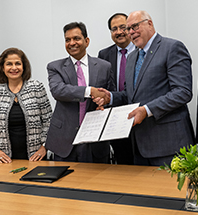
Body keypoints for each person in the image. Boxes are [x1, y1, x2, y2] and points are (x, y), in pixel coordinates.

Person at [93, 10, 195, 166]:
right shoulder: (132, 56)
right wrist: (110, 97)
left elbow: (183, 92)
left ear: (150, 24)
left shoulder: (172, 47)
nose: (131, 32)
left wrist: (147, 110)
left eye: (135, 26)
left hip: (170, 145)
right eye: (129, 29)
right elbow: (130, 95)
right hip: (139, 146)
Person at [45, 22, 115, 163]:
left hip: (96, 139)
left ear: (86, 41)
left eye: (76, 38)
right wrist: (89, 91)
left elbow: (111, 96)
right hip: (65, 140)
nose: (72, 43)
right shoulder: (55, 67)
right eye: (67, 40)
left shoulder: (104, 66)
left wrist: (104, 101)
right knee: (65, 183)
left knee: (97, 183)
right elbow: (58, 90)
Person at [0, 48, 52, 163]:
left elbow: (49, 121)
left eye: (18, 63)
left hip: (36, 159)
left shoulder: (36, 87)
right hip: (4, 161)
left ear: (24, 66)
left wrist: (44, 147)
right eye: (9, 64)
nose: (14, 68)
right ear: (2, 67)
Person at [98, 13, 135, 165]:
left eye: (122, 27)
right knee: (123, 164)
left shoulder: (142, 50)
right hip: (117, 120)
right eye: (114, 29)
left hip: (143, 117)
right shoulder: (104, 55)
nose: (119, 32)